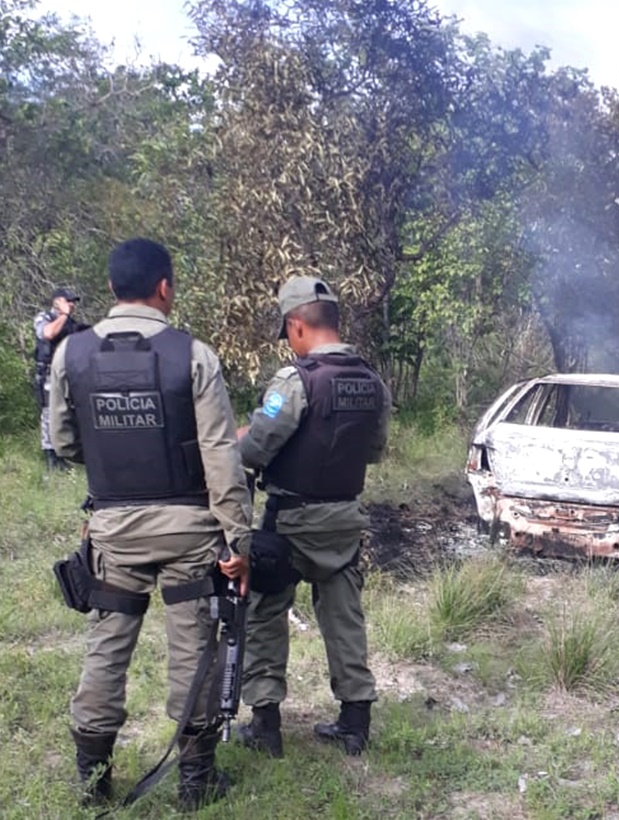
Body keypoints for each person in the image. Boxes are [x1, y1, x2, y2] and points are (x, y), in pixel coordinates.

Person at [48, 238, 253, 810]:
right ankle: (196, 783)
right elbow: (221, 457)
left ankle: (94, 783)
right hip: (190, 531)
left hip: (113, 528)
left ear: (112, 289)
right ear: (165, 287)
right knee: (193, 649)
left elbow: (63, 441)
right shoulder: (194, 355)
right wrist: (238, 539)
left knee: (106, 648)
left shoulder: (71, 355)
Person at [236, 275, 390, 758]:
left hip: (291, 524)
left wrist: (240, 436)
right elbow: (376, 451)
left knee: (264, 614)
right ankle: (355, 722)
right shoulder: (373, 381)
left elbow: (257, 448)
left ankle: (265, 727)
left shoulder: (294, 381)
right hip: (345, 519)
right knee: (345, 618)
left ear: (296, 325)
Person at [33, 286, 88, 469]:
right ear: (57, 302)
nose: (72, 305)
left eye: (73, 302)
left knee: (69, 411)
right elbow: (47, 334)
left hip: (67, 374)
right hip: (48, 374)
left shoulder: (72, 323)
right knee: (49, 413)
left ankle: (65, 454)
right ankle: (51, 459)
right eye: (68, 301)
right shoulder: (44, 318)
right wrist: (63, 316)